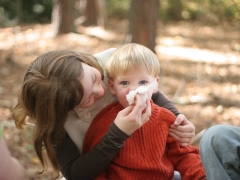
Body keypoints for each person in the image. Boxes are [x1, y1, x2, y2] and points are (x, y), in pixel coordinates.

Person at [12, 48, 195, 180]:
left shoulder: (111, 61)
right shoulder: (55, 119)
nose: (100, 92)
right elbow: (75, 173)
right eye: (87, 100)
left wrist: (177, 118)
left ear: (81, 60)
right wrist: (118, 133)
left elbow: (149, 89)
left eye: (94, 78)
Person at [83, 43, 206, 180]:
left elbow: (183, 155)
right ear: (112, 87)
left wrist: (200, 176)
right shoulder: (103, 123)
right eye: (124, 83)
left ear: (155, 85)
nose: (134, 90)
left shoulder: (166, 118)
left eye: (143, 82)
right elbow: (96, 168)